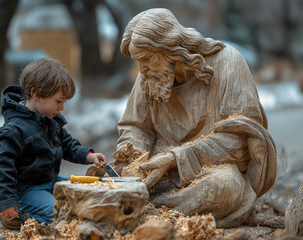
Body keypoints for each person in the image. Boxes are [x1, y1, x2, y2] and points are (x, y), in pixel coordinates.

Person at [111, 8, 277, 227]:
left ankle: (146, 212)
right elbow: (135, 128)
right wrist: (133, 160)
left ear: (169, 48)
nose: (142, 69)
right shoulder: (149, 76)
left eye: (147, 59)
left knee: (225, 188)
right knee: (112, 178)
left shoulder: (227, 62)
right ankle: (151, 210)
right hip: (157, 174)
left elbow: (239, 139)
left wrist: (174, 159)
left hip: (211, 168)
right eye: (138, 61)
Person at [0, 58, 107, 229]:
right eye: (58, 102)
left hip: (51, 181)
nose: (62, 108)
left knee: (87, 192)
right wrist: (6, 201)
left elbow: (67, 144)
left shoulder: (50, 121)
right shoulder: (13, 131)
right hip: (27, 191)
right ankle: (21, 215)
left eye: (64, 102)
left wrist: (87, 154)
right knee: (58, 215)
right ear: (37, 94)